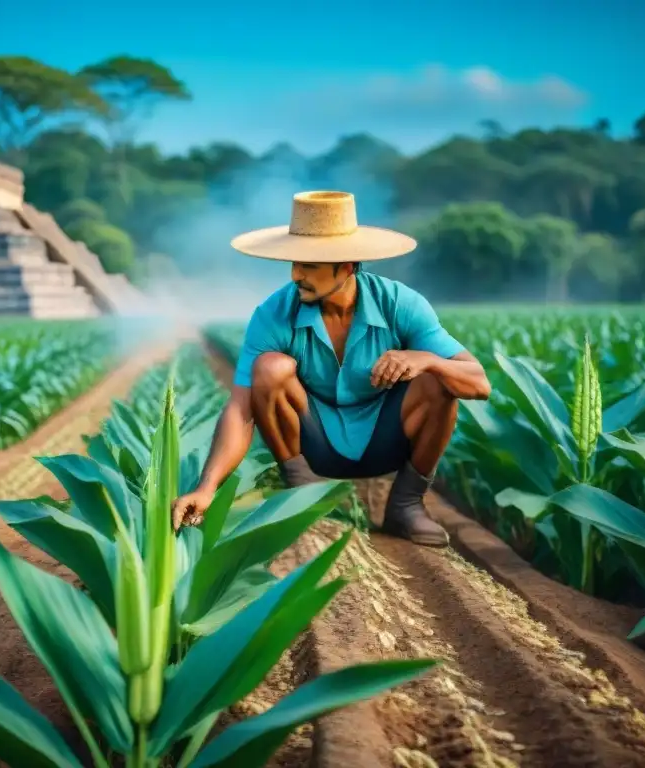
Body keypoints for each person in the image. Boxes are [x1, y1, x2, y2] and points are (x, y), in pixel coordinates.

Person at [171, 191, 491, 547]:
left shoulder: (400, 303)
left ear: (348, 266)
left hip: (386, 440)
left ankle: (406, 505)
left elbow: (479, 383)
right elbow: (241, 407)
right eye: (294, 263)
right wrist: (206, 487)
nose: (295, 275)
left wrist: (427, 360)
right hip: (314, 444)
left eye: (309, 266)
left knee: (440, 379)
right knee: (269, 368)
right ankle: (301, 489)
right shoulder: (274, 313)